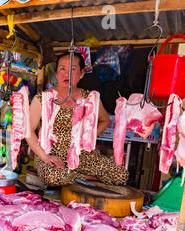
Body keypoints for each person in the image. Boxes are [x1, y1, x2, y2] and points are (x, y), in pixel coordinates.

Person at [26, 52, 129, 186]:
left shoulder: (90, 97)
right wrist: (45, 157)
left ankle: (77, 177)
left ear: (81, 74)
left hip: (81, 155)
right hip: (51, 155)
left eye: (72, 69)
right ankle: (86, 178)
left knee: (121, 175)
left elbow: (105, 120)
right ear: (56, 73)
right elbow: (28, 130)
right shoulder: (43, 98)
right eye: (62, 69)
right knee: (53, 176)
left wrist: (88, 139)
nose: (66, 74)